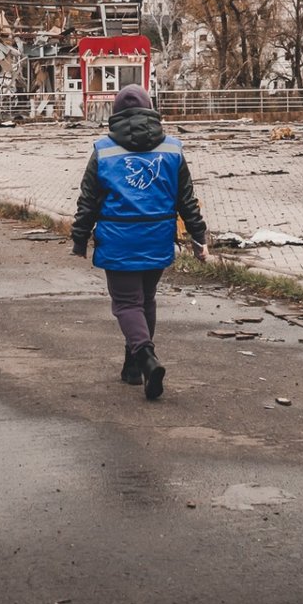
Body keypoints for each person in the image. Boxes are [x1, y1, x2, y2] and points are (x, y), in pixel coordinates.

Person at [70, 84, 207, 401]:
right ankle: (132, 370)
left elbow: (88, 200)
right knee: (145, 300)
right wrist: (199, 238)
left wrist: (79, 239)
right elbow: (187, 201)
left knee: (127, 304)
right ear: (150, 110)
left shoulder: (104, 150)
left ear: (116, 114)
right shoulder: (172, 149)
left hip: (118, 240)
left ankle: (146, 358)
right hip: (157, 240)